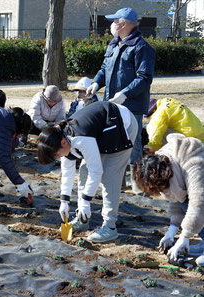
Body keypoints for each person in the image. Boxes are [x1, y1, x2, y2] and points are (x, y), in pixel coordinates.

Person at [37, 101, 138, 243]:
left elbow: (96, 171)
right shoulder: (60, 137)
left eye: (57, 155)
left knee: (109, 176)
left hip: (121, 125)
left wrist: (85, 201)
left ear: (63, 143)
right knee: (83, 170)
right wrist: (64, 201)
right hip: (101, 131)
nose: (59, 158)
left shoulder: (79, 138)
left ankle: (110, 227)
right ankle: (82, 219)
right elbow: (67, 171)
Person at [86, 7, 155, 194]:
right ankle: (117, 180)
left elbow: (144, 77)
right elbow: (104, 69)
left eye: (114, 21)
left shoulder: (142, 48)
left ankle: (137, 182)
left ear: (123, 24)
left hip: (131, 105)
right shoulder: (113, 45)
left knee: (133, 144)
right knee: (113, 140)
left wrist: (125, 94)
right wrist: (95, 83)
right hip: (112, 104)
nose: (111, 25)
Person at [135, 134, 204, 266]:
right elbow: (176, 196)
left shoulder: (193, 164)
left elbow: (199, 203)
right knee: (185, 203)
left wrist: (185, 236)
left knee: (201, 262)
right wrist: (172, 230)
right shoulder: (166, 159)